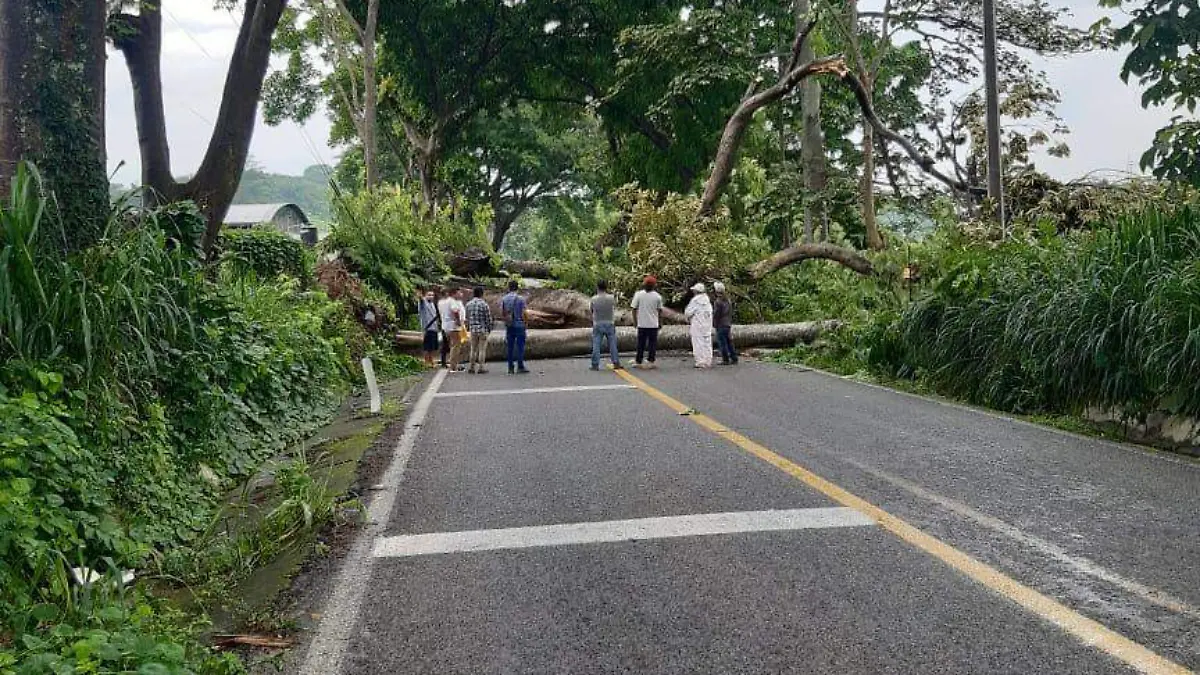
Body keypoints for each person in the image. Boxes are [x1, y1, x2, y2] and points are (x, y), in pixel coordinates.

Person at [631, 275, 663, 369]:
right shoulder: (657, 296)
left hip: (642, 324)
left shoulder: (639, 295)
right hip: (653, 324)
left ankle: (638, 361)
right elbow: (660, 311)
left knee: (641, 343)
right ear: (654, 285)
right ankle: (651, 361)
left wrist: (635, 321)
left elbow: (634, 308)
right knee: (652, 344)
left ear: (644, 284)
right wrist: (660, 322)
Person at [590, 280, 622, 371]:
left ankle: (595, 364)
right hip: (610, 322)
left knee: (596, 344)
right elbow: (614, 307)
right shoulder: (611, 298)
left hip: (598, 323)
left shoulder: (594, 299)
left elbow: (591, 310)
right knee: (612, 344)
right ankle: (616, 362)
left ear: (597, 287)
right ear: (606, 287)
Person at [500, 280, 530, 374]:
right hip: (520, 324)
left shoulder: (504, 299)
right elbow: (524, 312)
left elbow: (503, 313)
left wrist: (506, 321)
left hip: (510, 325)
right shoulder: (521, 299)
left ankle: (510, 367)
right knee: (520, 346)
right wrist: (526, 323)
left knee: (510, 346)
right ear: (517, 287)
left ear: (508, 288)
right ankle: (520, 366)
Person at [684, 282, 714, 369]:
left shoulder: (695, 301)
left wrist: (687, 317)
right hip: (707, 325)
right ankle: (708, 360)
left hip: (697, 325)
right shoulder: (707, 301)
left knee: (698, 344)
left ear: (696, 291)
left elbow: (688, 312)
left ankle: (700, 361)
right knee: (707, 343)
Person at [465, 286, 493, 374]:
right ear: (482, 294)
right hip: (482, 329)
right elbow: (488, 319)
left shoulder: (468, 304)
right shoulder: (484, 304)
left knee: (473, 349)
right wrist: (489, 329)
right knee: (482, 350)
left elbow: (467, 317)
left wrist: (469, 327)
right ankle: (481, 367)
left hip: (473, 330)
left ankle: (471, 367)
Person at [438, 287, 466, 371]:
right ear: (453, 293)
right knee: (456, 346)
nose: (460, 294)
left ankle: (454, 364)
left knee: (452, 345)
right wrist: (458, 321)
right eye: (458, 292)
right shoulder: (452, 301)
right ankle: (453, 366)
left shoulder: (442, 302)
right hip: (453, 327)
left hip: (445, 326)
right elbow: (455, 311)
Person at [712, 282, 738, 365]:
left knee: (722, 342)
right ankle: (734, 358)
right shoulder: (728, 300)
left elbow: (716, 314)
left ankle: (725, 359)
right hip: (727, 323)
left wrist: (714, 323)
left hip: (721, 324)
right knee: (729, 341)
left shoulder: (718, 302)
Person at [417, 289, 440, 368]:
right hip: (427, 328)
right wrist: (420, 295)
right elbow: (420, 299)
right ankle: (426, 361)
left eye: (432, 295)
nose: (431, 296)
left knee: (433, 346)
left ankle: (431, 361)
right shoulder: (423, 303)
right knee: (427, 346)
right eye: (429, 295)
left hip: (434, 328)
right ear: (425, 296)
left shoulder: (433, 304)